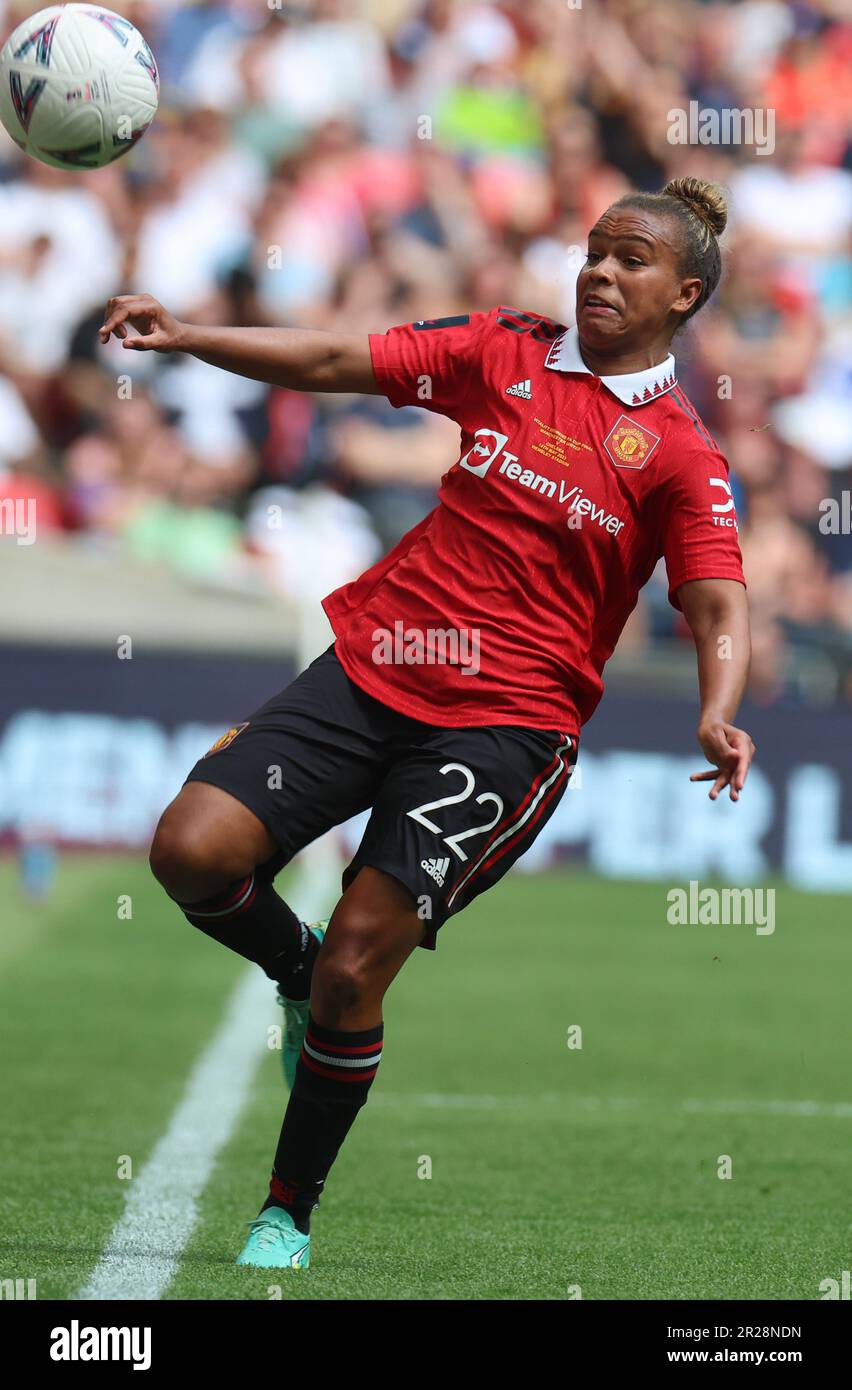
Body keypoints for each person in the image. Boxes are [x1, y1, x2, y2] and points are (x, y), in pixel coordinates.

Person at [99, 176, 756, 1270]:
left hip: (507, 727)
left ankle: (285, 1211)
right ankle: (294, 976)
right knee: (189, 849)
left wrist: (718, 710)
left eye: (630, 260)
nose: (598, 270)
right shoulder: (501, 349)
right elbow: (328, 361)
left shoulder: (683, 453)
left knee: (364, 960)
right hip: (374, 665)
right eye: (595, 250)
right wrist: (187, 335)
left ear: (685, 293)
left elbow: (718, 599)